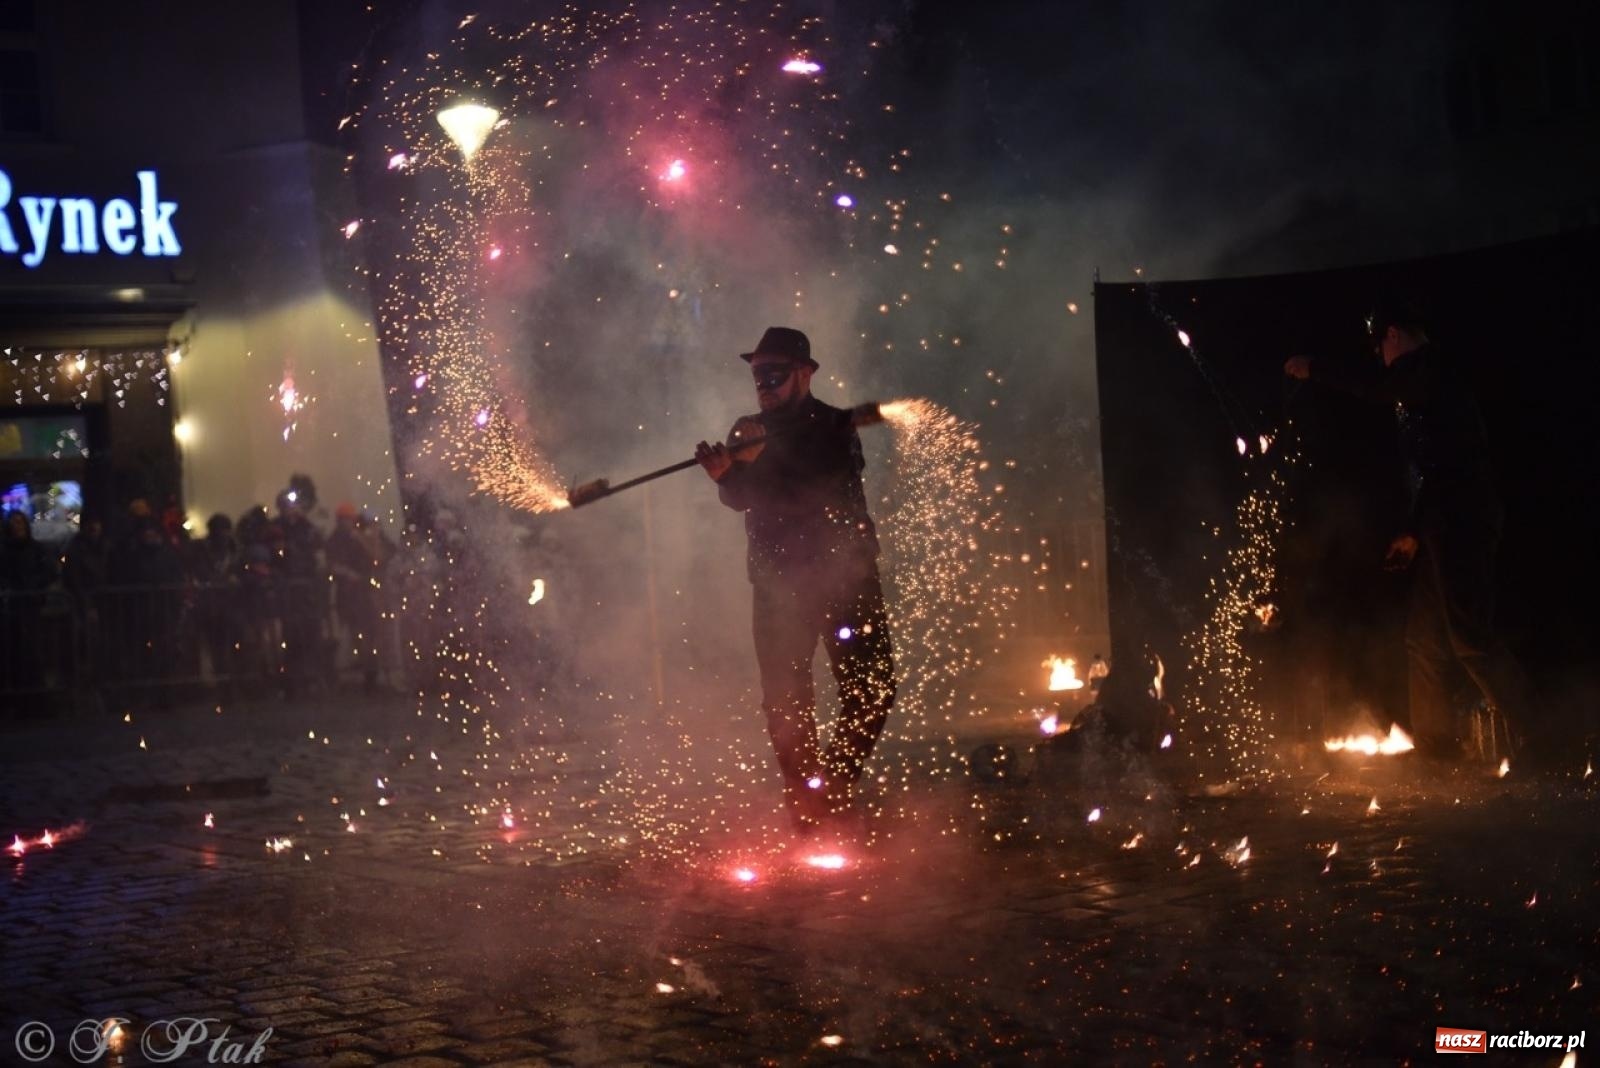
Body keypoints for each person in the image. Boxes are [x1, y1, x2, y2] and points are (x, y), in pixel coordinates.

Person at [1284, 300, 1541, 766]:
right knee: (1422, 639)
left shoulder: (1430, 371)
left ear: (1394, 336)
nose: (1379, 358)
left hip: (1464, 523)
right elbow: (1432, 468)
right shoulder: (1423, 381)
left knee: (1470, 637)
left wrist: (1315, 368)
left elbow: (1377, 390)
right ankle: (1438, 749)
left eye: (1379, 347)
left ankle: (1545, 738)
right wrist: (1412, 532)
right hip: (1442, 522)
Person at [695, 326, 896, 831]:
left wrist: (745, 470)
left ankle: (836, 782)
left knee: (873, 688)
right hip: (777, 585)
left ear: (804, 374)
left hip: (844, 578)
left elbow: (817, 489)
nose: (763, 383)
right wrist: (727, 476)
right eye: (758, 374)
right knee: (785, 699)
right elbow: (741, 498)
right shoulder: (749, 431)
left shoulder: (835, 426)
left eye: (774, 373)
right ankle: (807, 802)